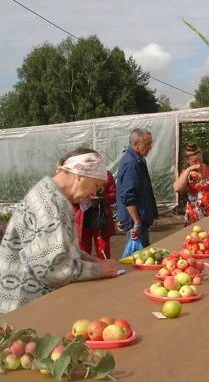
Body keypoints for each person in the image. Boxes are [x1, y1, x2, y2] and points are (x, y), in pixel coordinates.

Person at [0, 148, 118, 314]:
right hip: (23, 309)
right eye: (96, 186)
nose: (93, 193)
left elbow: (60, 249)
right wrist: (99, 270)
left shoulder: (52, 196)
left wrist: (87, 258)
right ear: (79, 174)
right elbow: (52, 270)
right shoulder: (48, 204)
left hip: (27, 303)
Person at [116, 128, 158, 247]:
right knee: (137, 257)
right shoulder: (131, 163)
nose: (150, 147)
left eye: (150, 143)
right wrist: (137, 222)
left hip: (139, 219)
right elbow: (128, 196)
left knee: (140, 254)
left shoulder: (138, 161)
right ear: (135, 144)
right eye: (147, 144)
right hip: (134, 221)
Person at [74, 171, 116, 260]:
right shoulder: (77, 175)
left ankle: (105, 270)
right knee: (83, 250)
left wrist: (101, 198)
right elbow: (70, 195)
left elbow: (114, 195)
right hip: (82, 217)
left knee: (103, 249)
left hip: (100, 216)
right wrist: (80, 197)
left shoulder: (106, 174)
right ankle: (86, 271)